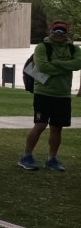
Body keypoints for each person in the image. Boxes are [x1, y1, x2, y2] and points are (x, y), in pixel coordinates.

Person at [19, 20, 81, 171]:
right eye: (56, 31)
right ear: (51, 31)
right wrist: (65, 67)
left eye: (62, 31)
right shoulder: (42, 47)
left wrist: (56, 63)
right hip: (43, 93)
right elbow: (42, 66)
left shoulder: (73, 49)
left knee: (57, 128)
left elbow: (78, 64)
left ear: (66, 33)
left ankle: (52, 159)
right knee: (40, 125)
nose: (58, 34)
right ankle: (26, 156)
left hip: (63, 94)